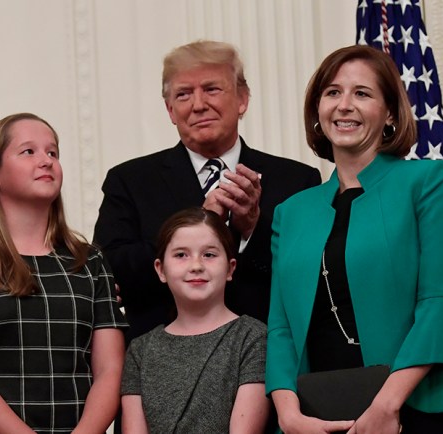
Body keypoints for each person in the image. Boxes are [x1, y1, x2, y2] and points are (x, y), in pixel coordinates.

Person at [266, 45, 443, 434]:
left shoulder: (431, 183)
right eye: (333, 92)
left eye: (362, 93)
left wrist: (385, 407)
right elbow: (281, 328)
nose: (344, 105)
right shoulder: (291, 212)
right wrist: (289, 416)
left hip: (414, 412)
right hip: (317, 417)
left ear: (390, 113)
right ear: (317, 110)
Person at [93, 40, 321, 341]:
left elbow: (308, 279)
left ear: (242, 99)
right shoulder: (129, 181)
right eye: (184, 94)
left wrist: (252, 230)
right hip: (162, 362)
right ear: (170, 110)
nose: (198, 105)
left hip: (269, 358)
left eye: (212, 89)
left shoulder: (296, 180)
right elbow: (111, 274)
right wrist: (201, 219)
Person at [0, 113, 127, 434]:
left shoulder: (89, 261)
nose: (46, 161)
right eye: (29, 152)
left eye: (52, 153)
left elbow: (111, 370)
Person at [121, 207, 269, 433]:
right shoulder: (140, 350)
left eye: (209, 255)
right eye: (181, 255)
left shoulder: (253, 338)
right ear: (161, 270)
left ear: (230, 268)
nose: (196, 266)